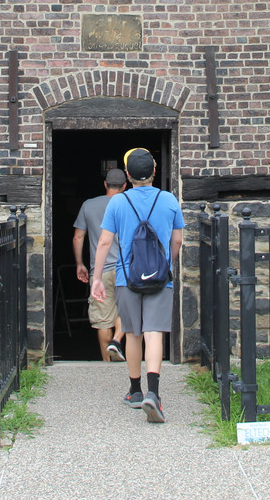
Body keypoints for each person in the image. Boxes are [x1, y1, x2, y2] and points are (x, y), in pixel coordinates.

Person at [91, 148, 184, 423]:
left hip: (126, 277)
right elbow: (177, 241)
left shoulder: (117, 204)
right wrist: (166, 266)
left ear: (128, 175)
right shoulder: (168, 200)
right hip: (159, 277)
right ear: (154, 172)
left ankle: (134, 391)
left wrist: (97, 278)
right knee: (155, 332)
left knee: (133, 334)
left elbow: (105, 242)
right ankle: (153, 393)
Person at [72, 168, 128, 362]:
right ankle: (117, 341)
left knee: (103, 319)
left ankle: (106, 363)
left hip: (100, 271)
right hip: (125, 270)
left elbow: (78, 237)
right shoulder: (130, 204)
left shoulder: (89, 205)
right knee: (125, 312)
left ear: (105, 184)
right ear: (125, 186)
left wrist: (80, 264)